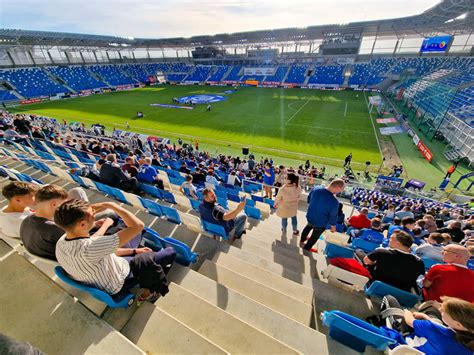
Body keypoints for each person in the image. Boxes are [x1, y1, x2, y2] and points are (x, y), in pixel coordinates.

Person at [54, 200, 176, 304]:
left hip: (100, 279)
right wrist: (111, 205)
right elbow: (138, 225)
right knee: (170, 252)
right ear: (82, 224)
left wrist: (134, 251)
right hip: (118, 282)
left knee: (134, 240)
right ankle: (153, 289)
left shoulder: (61, 242)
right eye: (93, 214)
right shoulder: (91, 248)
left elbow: (92, 244)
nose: (95, 214)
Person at [399, 297, 474, 355]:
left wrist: (406, 312)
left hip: (408, 347)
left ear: (458, 324)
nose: (440, 309)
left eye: (445, 312)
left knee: (391, 300)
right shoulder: (469, 347)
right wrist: (425, 317)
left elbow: (409, 320)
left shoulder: (432, 329)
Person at [20, 185, 70, 260]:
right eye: (63, 205)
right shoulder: (53, 228)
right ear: (54, 204)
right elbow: (82, 244)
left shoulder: (26, 220)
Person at [300, 179, 345, 251]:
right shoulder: (334, 201)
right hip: (321, 222)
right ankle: (306, 248)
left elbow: (309, 199)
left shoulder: (316, 188)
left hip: (310, 216)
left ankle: (302, 240)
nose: (340, 192)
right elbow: (333, 216)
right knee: (314, 236)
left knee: (308, 227)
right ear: (337, 188)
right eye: (341, 190)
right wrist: (333, 226)